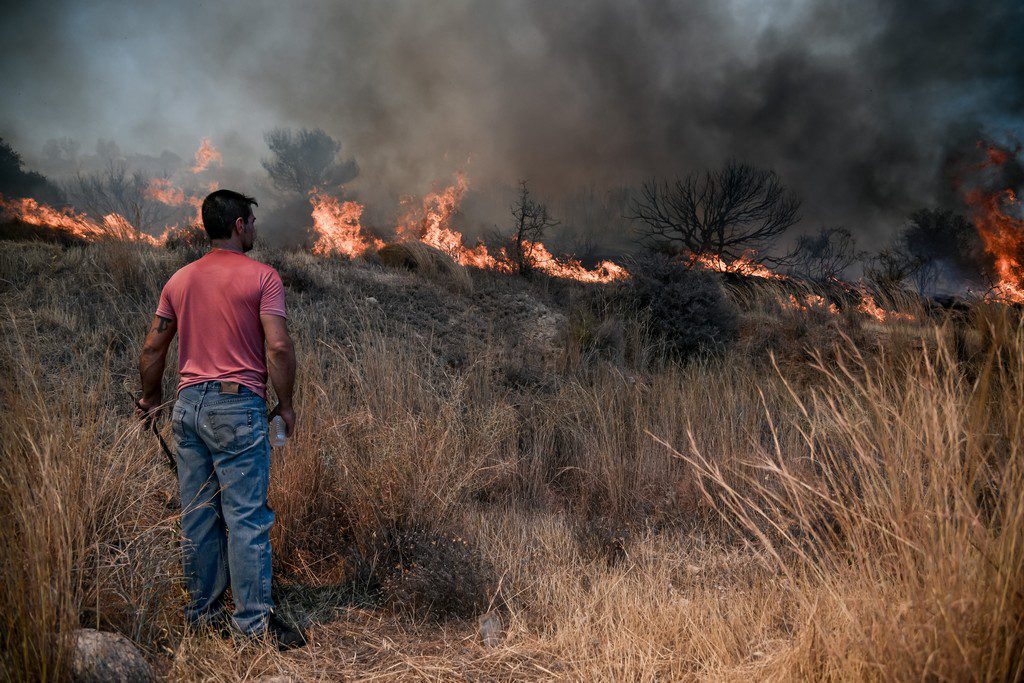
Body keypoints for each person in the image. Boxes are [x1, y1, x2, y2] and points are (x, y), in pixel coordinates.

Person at [135, 189, 304, 650]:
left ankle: (203, 617)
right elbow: (279, 347)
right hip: (236, 405)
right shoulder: (263, 278)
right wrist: (285, 404)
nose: (254, 228)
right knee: (247, 517)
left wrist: (151, 400)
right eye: (251, 221)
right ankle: (252, 626)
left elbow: (153, 348)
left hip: (188, 408)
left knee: (199, 517)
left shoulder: (179, 280)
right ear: (238, 226)